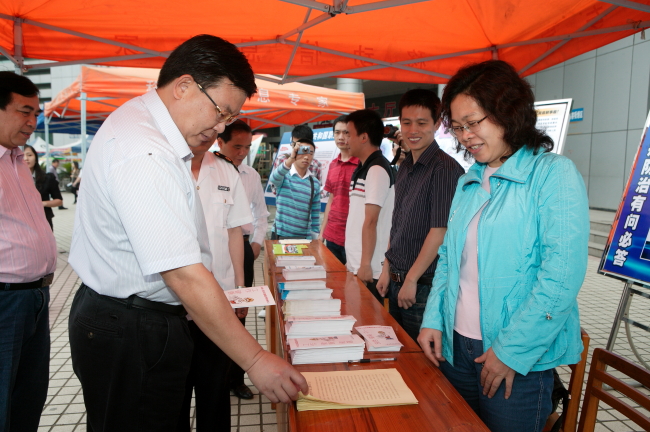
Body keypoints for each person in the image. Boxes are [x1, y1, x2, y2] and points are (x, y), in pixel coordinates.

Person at [68, 34, 308, 432]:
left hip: (131, 318)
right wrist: (255, 359)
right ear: (183, 86)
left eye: (229, 117)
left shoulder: (145, 126)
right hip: (131, 326)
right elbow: (182, 273)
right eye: (220, 111)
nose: (221, 127)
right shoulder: (145, 151)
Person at [418, 60, 589, 432]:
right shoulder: (470, 179)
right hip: (456, 346)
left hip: (515, 357)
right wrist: (433, 319)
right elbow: (449, 259)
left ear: (507, 112)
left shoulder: (552, 174)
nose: (465, 136)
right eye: (457, 127)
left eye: (472, 122)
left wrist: (512, 351)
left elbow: (561, 276)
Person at [177, 131, 252, 431]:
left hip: (219, 301)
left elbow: (235, 232)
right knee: (176, 394)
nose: (208, 131)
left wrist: (241, 288)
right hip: (174, 304)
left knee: (215, 389)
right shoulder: (165, 164)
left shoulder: (225, 170)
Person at [376, 89, 464, 343]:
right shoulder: (405, 166)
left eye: (422, 123)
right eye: (407, 123)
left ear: (437, 124)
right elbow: (397, 224)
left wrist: (412, 279)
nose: (413, 130)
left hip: (423, 287)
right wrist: (386, 269)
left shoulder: (445, 169)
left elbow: (440, 231)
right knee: (399, 353)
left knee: (423, 360)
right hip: (397, 282)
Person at [0, 71, 57, 432]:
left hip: (34, 296)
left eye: (36, 113)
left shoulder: (17, 160)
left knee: (28, 399)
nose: (32, 122)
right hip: (5, 300)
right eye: (24, 111)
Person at [216, 119, 270, 399]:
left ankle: (235, 378)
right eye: (237, 146)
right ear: (220, 142)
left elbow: (261, 213)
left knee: (240, 313)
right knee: (213, 311)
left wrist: (256, 243)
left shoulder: (250, 175)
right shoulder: (208, 172)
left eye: (247, 147)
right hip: (215, 251)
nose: (242, 152)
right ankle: (212, 375)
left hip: (244, 250)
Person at [345, 109, 395, 304]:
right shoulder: (364, 167)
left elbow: (371, 220)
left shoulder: (376, 169)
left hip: (370, 269)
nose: (345, 139)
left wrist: (365, 264)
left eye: (349, 134)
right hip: (359, 264)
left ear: (364, 137)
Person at [320, 115, 359, 264]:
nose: (341, 137)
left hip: (354, 238)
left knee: (353, 278)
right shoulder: (332, 165)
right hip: (332, 236)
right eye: (337, 132)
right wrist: (322, 233)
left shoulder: (362, 165)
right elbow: (331, 199)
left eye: (346, 132)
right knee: (333, 276)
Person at [269, 138, 320, 240]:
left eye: (311, 153)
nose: (306, 156)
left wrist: (315, 236)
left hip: (304, 237)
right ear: (295, 152)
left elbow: (315, 212)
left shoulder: (314, 183)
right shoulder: (284, 176)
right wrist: (291, 159)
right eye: (303, 151)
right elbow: (273, 178)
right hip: (280, 235)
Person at [23, 144, 64, 230]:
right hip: (21, 223)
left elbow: (59, 201)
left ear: (35, 158)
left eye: (29, 155)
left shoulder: (47, 178)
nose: (26, 158)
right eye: (22, 155)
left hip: (43, 220)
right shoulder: (11, 179)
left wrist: (43, 203)